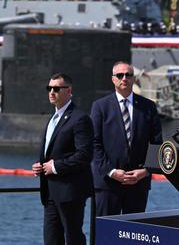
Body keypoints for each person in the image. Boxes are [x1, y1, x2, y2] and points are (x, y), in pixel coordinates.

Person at [91, 62, 162, 216]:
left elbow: (157, 144)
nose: (124, 78)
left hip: (138, 183)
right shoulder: (100, 107)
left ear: (134, 79)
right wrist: (112, 171)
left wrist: (145, 171)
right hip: (107, 184)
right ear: (113, 79)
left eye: (128, 75)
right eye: (120, 75)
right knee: (106, 236)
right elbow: (95, 144)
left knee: (134, 235)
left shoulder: (148, 107)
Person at [32, 73, 93, 245]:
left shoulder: (80, 119)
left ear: (69, 91)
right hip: (50, 193)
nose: (52, 92)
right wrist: (41, 166)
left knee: (73, 239)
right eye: (49, 88)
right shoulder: (52, 119)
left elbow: (85, 155)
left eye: (57, 88)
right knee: (51, 240)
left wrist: (56, 167)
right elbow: (52, 153)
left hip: (70, 193)